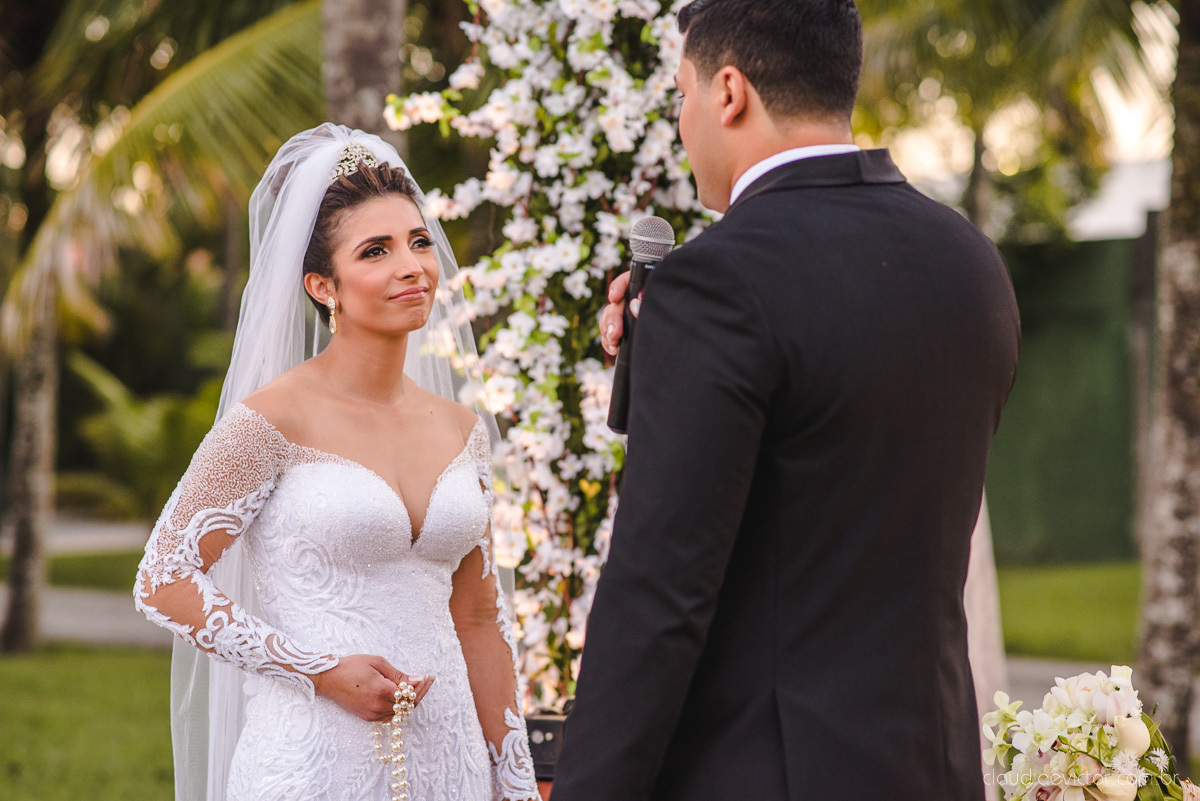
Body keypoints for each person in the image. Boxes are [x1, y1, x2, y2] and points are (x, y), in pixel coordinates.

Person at [550, 1, 1021, 800]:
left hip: (765, 771)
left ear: (729, 91)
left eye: (682, 95)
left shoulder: (718, 279)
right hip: (930, 767)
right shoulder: (968, 260)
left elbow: (659, 591)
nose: (682, 119)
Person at [133, 124, 541, 801]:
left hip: (451, 761)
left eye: (418, 241)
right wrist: (317, 669)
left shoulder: (463, 428)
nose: (412, 265)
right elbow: (163, 577)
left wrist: (516, 779)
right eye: (375, 251)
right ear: (324, 285)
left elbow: (477, 615)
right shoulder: (272, 419)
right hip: (311, 759)